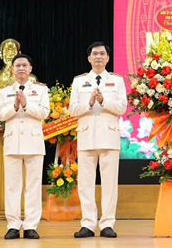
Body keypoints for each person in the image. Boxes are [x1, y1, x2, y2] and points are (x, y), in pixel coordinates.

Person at [69, 42, 127, 239]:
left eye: (102, 54)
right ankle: (87, 224)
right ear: (89, 58)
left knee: (110, 184)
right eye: (95, 54)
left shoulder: (116, 80)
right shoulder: (79, 81)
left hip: (109, 138)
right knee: (85, 184)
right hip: (86, 137)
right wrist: (90, 102)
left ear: (108, 58)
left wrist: (103, 101)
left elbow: (121, 108)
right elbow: (73, 110)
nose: (99, 57)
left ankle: (107, 224)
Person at [0, 53, 50, 239]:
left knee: (33, 186)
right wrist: (14, 106)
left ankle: (30, 226)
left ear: (30, 69)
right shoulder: (4, 91)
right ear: (12, 69)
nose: (21, 68)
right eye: (17, 65)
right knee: (12, 187)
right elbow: (0, 115)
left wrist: (26, 105)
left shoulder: (40, 90)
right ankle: (13, 225)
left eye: (24, 65)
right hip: (12, 143)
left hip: (34, 143)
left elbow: (44, 113)